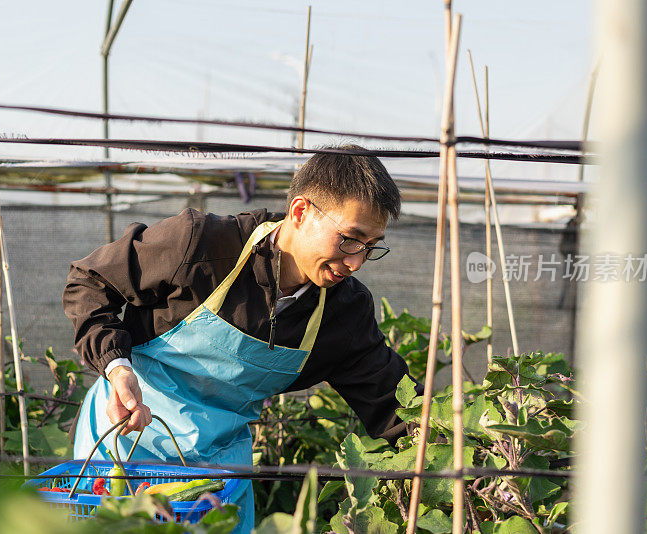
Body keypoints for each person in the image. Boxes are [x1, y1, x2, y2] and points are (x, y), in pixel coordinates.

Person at [63, 145, 421, 532]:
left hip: (218, 476)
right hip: (122, 446)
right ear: (300, 213)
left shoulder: (344, 312)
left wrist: (458, 453)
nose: (356, 262)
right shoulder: (202, 245)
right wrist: (117, 368)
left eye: (371, 247)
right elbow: (90, 282)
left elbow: (394, 405)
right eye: (350, 239)